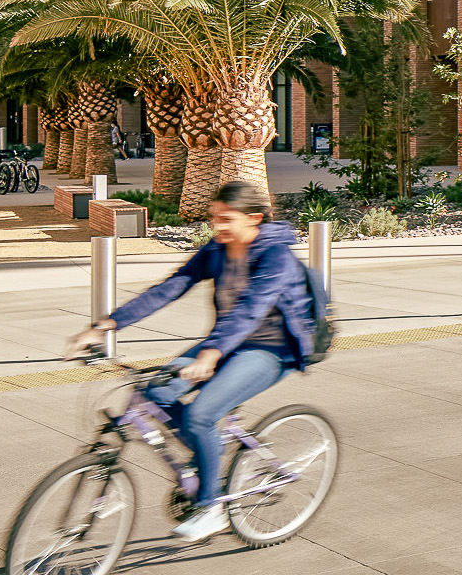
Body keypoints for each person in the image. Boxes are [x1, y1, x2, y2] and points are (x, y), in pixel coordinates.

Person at [68, 179, 314, 543]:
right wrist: (105, 325)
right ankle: (207, 448)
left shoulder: (275, 257)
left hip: (272, 348)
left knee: (201, 414)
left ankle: (211, 507)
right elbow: (170, 287)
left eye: (227, 219)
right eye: (215, 218)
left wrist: (211, 354)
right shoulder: (218, 250)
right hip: (226, 340)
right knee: (154, 394)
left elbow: (250, 311)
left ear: (255, 219)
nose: (218, 227)